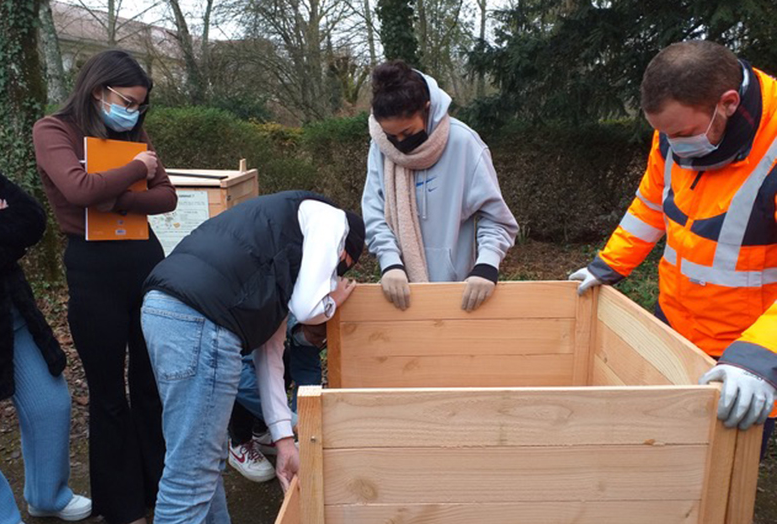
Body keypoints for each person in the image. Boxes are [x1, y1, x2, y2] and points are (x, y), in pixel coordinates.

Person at [569, 41, 777, 441]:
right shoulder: (674, 131)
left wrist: (759, 358)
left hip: (743, 350)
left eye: (681, 132)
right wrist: (608, 265)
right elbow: (650, 204)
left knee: (723, 470)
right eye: (664, 133)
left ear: (728, 103)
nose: (673, 144)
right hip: (677, 321)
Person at [140, 190, 365, 523]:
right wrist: (332, 301)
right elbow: (309, 306)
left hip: (164, 309)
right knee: (189, 482)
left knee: (201, 461)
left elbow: (269, 359)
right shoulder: (330, 218)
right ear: (343, 252)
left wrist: (285, 442)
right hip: (202, 319)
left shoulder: (273, 254)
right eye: (337, 270)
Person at [33, 49, 177, 524]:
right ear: (100, 91)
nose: (134, 112)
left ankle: (161, 491)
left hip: (144, 262)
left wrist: (108, 195)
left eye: (140, 105)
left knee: (151, 385)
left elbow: (168, 197)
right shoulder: (54, 130)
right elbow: (76, 190)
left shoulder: (131, 133)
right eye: (128, 101)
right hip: (93, 270)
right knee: (109, 392)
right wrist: (137, 172)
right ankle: (123, 506)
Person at [363, 60, 518, 311]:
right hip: (401, 293)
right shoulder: (380, 147)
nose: (399, 143)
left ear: (427, 109)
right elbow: (374, 211)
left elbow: (496, 218)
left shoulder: (464, 144)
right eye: (392, 136)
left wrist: (487, 265)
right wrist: (390, 262)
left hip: (458, 294)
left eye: (407, 132)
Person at [0, 163, 91, 524]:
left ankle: (47, 497)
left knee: (52, 405)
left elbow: (31, 218)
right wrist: (4, 233)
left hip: (12, 318)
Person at [227, 316, 325, 483]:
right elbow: (236, 375)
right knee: (243, 380)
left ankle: (262, 432)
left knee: (284, 358)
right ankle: (239, 442)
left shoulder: (316, 319)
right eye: (317, 337)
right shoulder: (265, 310)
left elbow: (306, 371)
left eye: (324, 342)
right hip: (229, 347)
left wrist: (303, 419)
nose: (320, 342)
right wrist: (290, 422)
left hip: (285, 328)